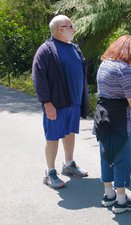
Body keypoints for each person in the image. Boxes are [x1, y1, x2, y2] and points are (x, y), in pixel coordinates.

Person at [32, 15, 89, 189]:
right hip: (56, 103)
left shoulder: (74, 48)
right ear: (59, 29)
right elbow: (38, 78)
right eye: (70, 26)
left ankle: (69, 165)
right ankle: (50, 172)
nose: (73, 29)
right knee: (53, 137)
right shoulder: (46, 50)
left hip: (74, 102)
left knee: (70, 133)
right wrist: (47, 103)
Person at [93, 35, 131, 214]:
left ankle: (109, 194)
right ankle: (121, 201)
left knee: (106, 155)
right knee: (122, 158)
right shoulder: (124, 68)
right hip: (119, 118)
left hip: (102, 115)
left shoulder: (104, 64)